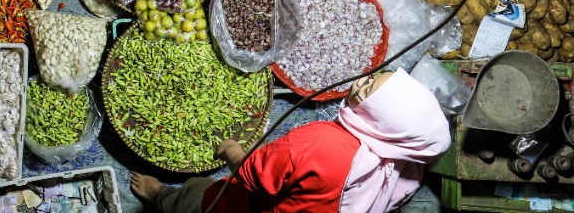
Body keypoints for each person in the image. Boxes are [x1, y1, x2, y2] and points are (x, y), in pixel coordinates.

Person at [131, 68, 451, 213]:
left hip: (250, 205)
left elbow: (255, 175)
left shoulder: (320, 144)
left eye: (366, 90)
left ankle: (159, 196)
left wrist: (232, 150)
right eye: (373, 77)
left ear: (380, 119)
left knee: (198, 196)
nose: (359, 81)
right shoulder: (406, 159)